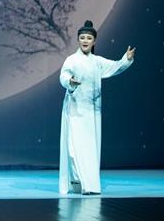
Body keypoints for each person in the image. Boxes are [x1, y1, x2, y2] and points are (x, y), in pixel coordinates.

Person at [58, 20, 136, 195]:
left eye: (89, 38)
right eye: (82, 38)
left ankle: (90, 185)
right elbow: (63, 76)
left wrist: (126, 59)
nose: (85, 41)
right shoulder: (72, 60)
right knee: (73, 148)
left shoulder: (97, 62)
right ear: (78, 40)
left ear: (94, 41)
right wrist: (70, 82)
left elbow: (115, 67)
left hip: (92, 113)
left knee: (89, 149)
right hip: (75, 110)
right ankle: (77, 182)